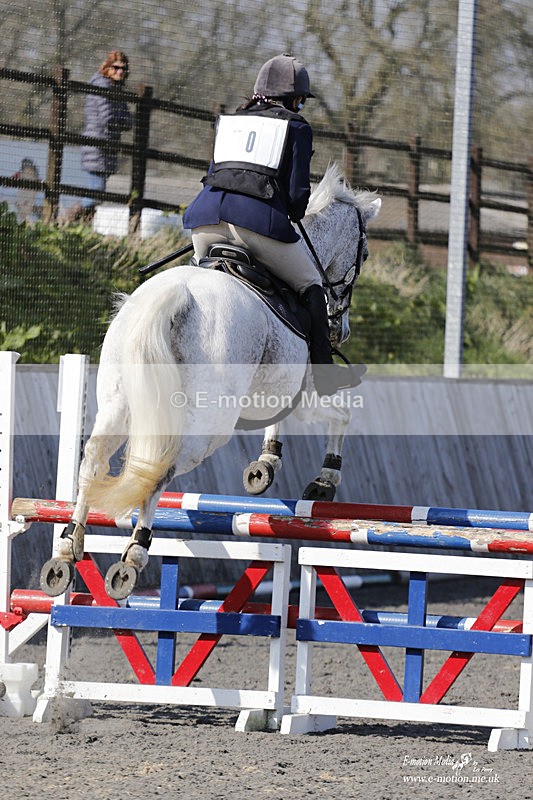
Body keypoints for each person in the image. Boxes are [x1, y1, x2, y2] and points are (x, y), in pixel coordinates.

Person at [183, 54, 362, 396]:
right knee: (311, 285)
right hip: (256, 227)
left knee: (195, 278)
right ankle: (324, 376)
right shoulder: (296, 126)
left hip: (205, 221)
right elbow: (296, 201)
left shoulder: (232, 121)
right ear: (295, 99)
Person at [78, 50, 133, 219]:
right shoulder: (102, 85)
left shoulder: (116, 89)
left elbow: (128, 121)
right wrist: (121, 120)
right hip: (98, 146)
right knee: (96, 192)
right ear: (107, 67)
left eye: (123, 68)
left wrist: (122, 120)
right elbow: (107, 117)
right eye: (116, 68)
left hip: (107, 147)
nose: (120, 71)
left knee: (98, 193)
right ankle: (67, 219)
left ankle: (80, 225)